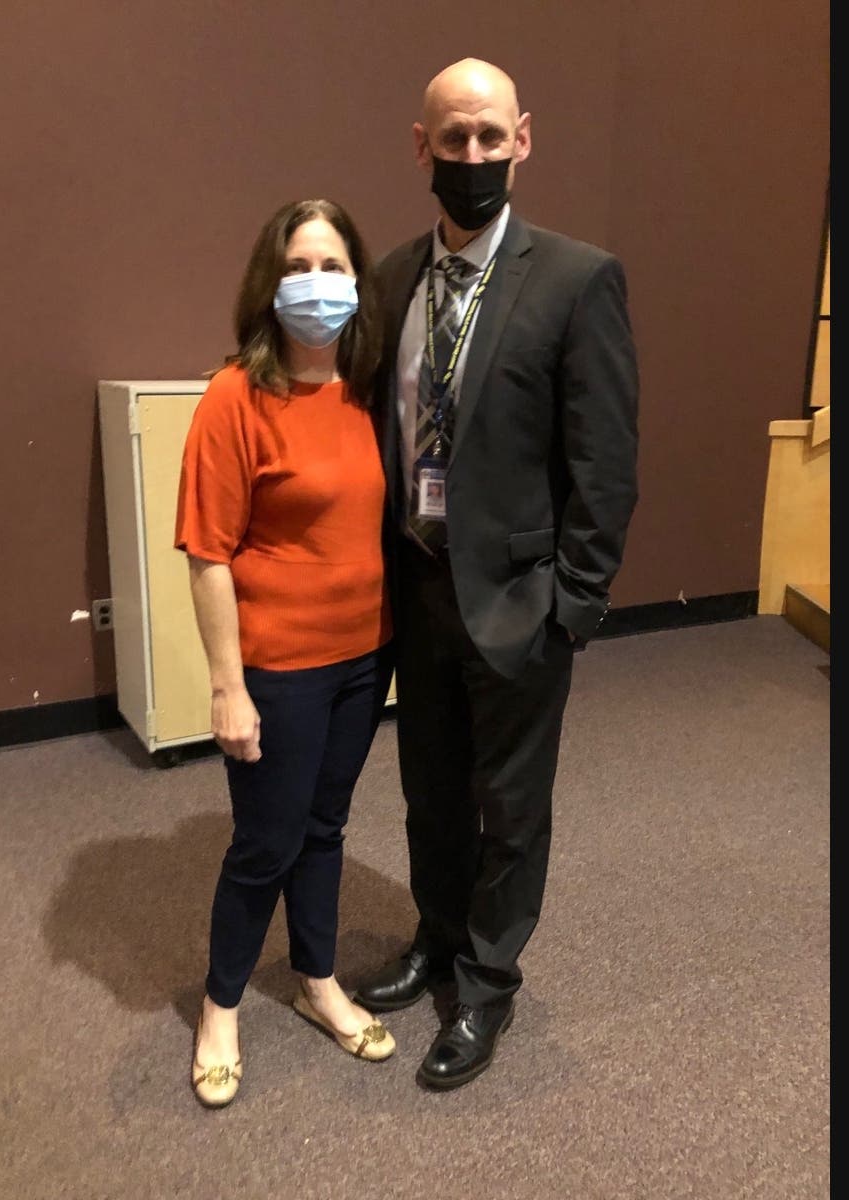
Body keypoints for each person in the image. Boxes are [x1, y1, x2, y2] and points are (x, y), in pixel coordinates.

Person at [353, 58, 640, 1090]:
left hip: (522, 600)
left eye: (488, 136)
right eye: (451, 138)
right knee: (429, 792)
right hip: (415, 586)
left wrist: (575, 602)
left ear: (522, 138)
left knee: (510, 808)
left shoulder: (575, 278)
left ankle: (484, 985)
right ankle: (434, 936)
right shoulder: (387, 280)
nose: (470, 156)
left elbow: (604, 461)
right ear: (419, 145)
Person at [175, 199, 399, 1109]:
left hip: (364, 657)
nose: (317, 285)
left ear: (359, 283)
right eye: (298, 267)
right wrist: (228, 688)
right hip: (279, 665)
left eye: (334, 267)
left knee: (326, 827)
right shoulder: (236, 396)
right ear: (270, 287)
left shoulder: (370, 385)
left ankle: (318, 981)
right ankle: (220, 1005)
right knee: (265, 842)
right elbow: (207, 555)